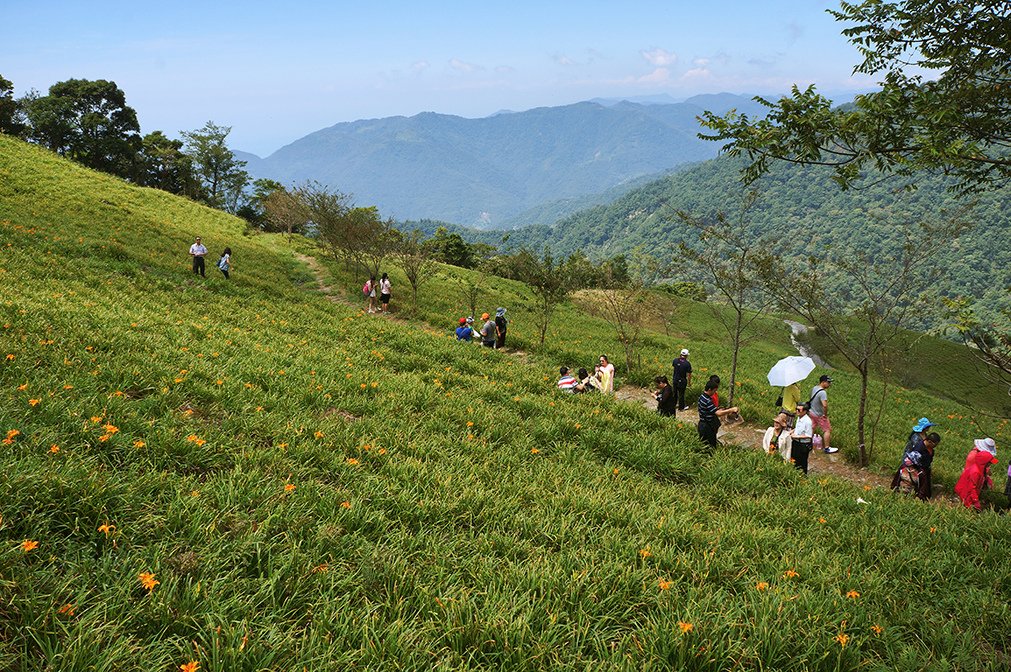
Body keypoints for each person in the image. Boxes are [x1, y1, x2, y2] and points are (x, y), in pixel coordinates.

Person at [890, 431, 941, 501]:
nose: (935, 446)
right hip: (918, 467)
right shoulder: (919, 448)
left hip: (924, 467)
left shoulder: (930, 449)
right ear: (929, 441)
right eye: (935, 444)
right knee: (921, 481)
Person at [696, 376, 739, 451]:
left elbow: (710, 410)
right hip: (707, 426)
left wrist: (718, 409)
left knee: (704, 443)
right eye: (714, 391)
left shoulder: (702, 396)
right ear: (709, 389)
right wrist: (731, 410)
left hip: (703, 423)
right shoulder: (708, 400)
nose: (714, 393)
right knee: (711, 445)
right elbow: (718, 413)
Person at [955, 437, 998, 510]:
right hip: (966, 492)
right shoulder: (975, 471)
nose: (990, 465)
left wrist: (987, 479)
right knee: (967, 506)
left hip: (970, 490)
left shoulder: (980, 467)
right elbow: (972, 487)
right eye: (989, 463)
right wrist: (975, 501)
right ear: (985, 463)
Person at [809, 375, 838, 453]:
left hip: (812, 412)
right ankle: (827, 448)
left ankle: (808, 443)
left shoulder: (814, 388)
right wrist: (825, 415)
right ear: (823, 382)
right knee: (827, 430)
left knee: (812, 428)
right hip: (819, 414)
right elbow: (824, 405)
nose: (829, 384)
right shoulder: (823, 392)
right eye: (828, 382)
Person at [790, 402, 815, 474]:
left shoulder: (807, 421)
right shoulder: (799, 417)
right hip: (796, 442)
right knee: (794, 459)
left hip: (803, 444)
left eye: (799, 410)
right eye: (796, 409)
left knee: (802, 462)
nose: (797, 411)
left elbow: (809, 435)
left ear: (805, 411)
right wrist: (792, 431)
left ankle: (803, 476)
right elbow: (798, 428)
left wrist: (796, 436)